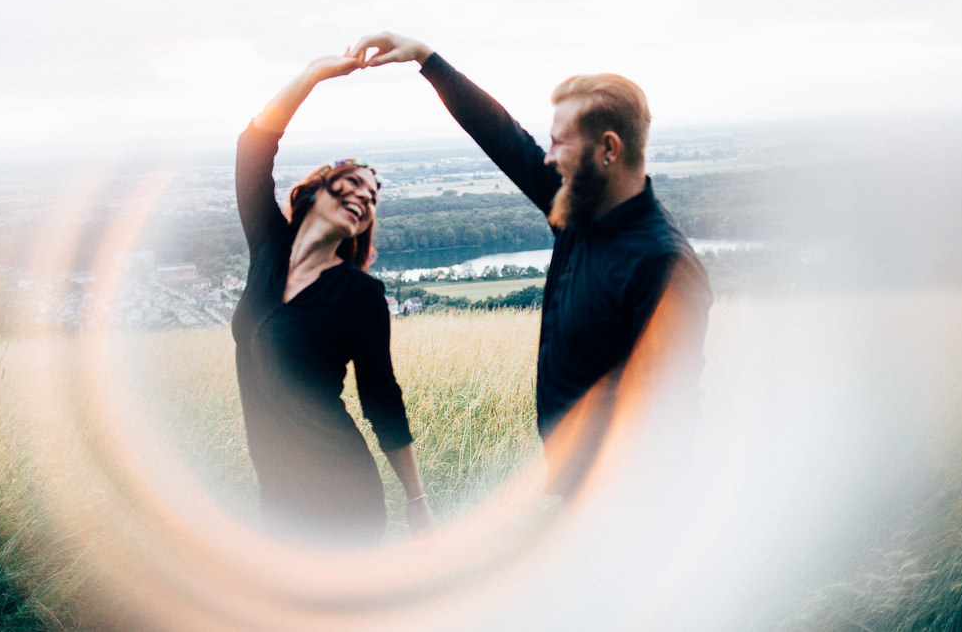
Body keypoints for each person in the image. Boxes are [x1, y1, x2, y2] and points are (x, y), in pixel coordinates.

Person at [352, 32, 713, 499]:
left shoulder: (664, 265)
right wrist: (428, 59)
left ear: (609, 148)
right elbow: (506, 139)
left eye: (560, 142)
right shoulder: (579, 209)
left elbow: (671, 414)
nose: (548, 156)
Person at [231, 51, 434, 545]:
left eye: (373, 196)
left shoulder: (360, 294)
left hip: (343, 490)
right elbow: (254, 146)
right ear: (315, 192)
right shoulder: (269, 247)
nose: (366, 196)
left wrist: (416, 498)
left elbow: (381, 397)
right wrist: (313, 75)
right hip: (278, 493)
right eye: (354, 183)